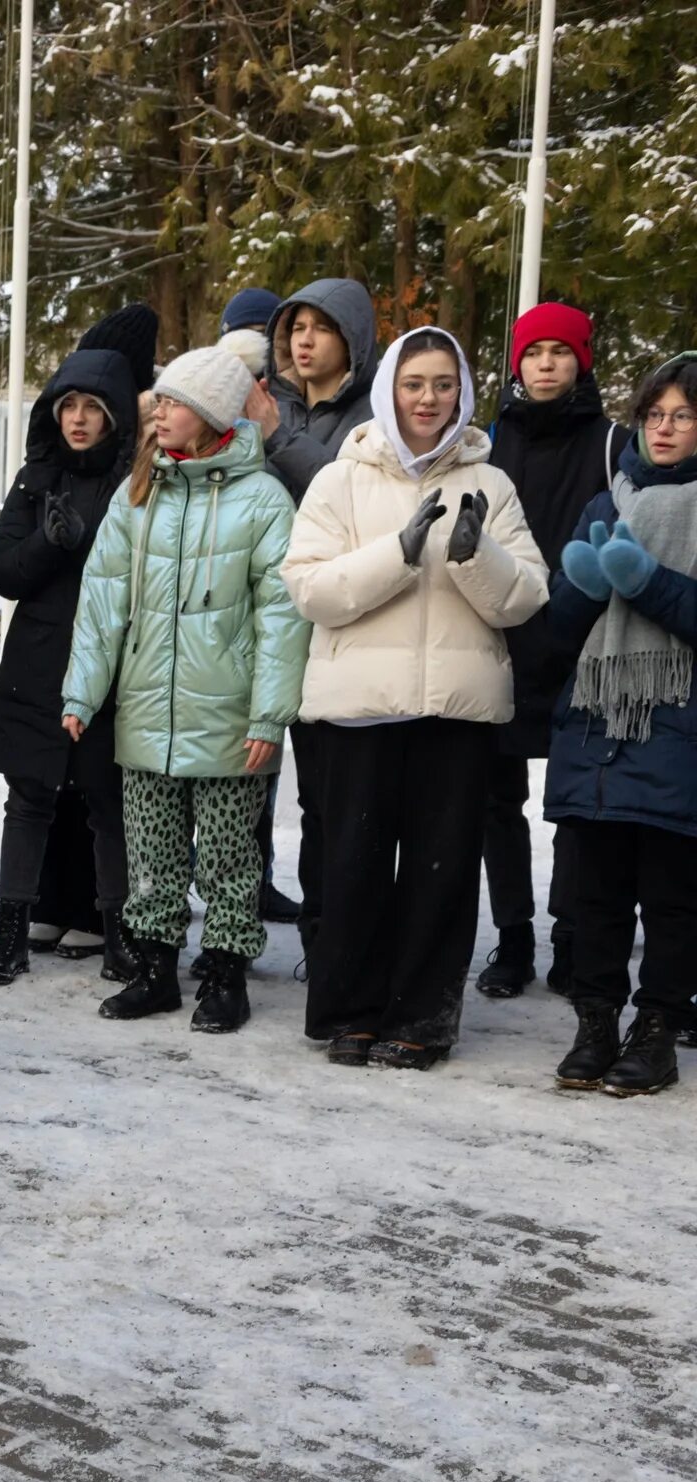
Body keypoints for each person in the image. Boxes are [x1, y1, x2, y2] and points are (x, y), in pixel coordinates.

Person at [283, 329, 549, 1069]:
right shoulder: (341, 479)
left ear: (461, 390)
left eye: (442, 384)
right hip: (359, 708)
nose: (428, 399)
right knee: (352, 866)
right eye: (413, 383)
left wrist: (475, 555)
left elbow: (526, 596)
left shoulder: (490, 485)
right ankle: (352, 1012)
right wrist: (397, 553)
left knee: (442, 870)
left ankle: (422, 1019)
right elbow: (308, 586)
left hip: (454, 713)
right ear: (388, 390)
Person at [63, 344, 307, 1032]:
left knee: (232, 856)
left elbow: (281, 619)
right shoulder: (139, 492)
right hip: (147, 706)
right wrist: (83, 692)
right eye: (159, 400)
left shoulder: (262, 499)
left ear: (210, 413)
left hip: (229, 714)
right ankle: (155, 969)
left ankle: (227, 974)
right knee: (152, 852)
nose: (158, 412)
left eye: (172, 402)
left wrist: (269, 714)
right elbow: (103, 598)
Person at [540, 354, 697, 1096]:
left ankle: (658, 1029)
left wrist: (650, 586)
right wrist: (583, 590)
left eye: (683, 415)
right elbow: (554, 635)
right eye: (654, 414)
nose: (664, 429)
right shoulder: (608, 503)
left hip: (679, 733)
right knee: (592, 895)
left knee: (671, 900)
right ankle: (594, 1021)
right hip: (596, 730)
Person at [0, 335, 142, 985]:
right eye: (67, 404)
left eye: (93, 407)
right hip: (39, 661)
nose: (77, 417)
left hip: (110, 662)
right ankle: (9, 931)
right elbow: (4, 573)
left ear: (115, 416)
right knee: (28, 798)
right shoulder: (34, 477)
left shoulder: (135, 482)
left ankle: (119, 932)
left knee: (107, 801)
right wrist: (50, 541)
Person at [481, 302, 621, 998]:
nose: (544, 363)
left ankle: (571, 937)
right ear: (516, 362)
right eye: (532, 351)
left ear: (581, 361)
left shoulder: (611, 442)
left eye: (559, 352)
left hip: (583, 645)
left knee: (572, 804)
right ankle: (513, 938)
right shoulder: (487, 440)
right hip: (498, 640)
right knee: (494, 801)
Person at [259, 280, 379, 938]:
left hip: (340, 627)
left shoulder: (372, 413)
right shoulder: (271, 401)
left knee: (332, 798)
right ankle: (260, 926)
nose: (304, 340)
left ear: (352, 339)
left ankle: (336, 936)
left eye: (321, 328)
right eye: (295, 326)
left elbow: (345, 496)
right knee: (257, 784)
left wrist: (277, 437)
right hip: (266, 621)